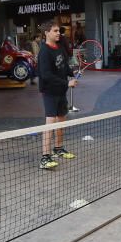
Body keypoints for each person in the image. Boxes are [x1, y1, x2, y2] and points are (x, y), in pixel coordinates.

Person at [36, 20, 77, 170]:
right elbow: (45, 75)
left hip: (61, 92)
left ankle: (58, 149)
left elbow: (64, 65)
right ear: (47, 33)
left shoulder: (59, 47)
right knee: (50, 122)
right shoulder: (44, 52)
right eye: (55, 31)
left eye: (58, 31)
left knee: (61, 121)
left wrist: (71, 74)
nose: (58, 33)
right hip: (49, 92)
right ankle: (45, 158)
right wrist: (67, 83)